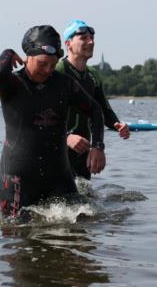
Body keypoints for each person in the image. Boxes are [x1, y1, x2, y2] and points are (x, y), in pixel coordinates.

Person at [0, 25, 106, 220]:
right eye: (42, 63)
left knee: (82, 227)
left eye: (53, 65)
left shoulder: (64, 84)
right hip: (18, 178)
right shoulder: (12, 84)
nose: (47, 70)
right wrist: (8, 53)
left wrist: (98, 146)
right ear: (27, 56)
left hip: (59, 176)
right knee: (16, 235)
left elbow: (96, 111)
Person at [55, 20, 130, 181]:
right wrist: (66, 137)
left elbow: (103, 109)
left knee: (83, 200)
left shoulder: (93, 75)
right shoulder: (59, 71)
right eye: (83, 38)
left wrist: (116, 123)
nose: (91, 41)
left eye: (92, 38)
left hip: (83, 150)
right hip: (57, 148)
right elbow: (43, 114)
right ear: (68, 43)